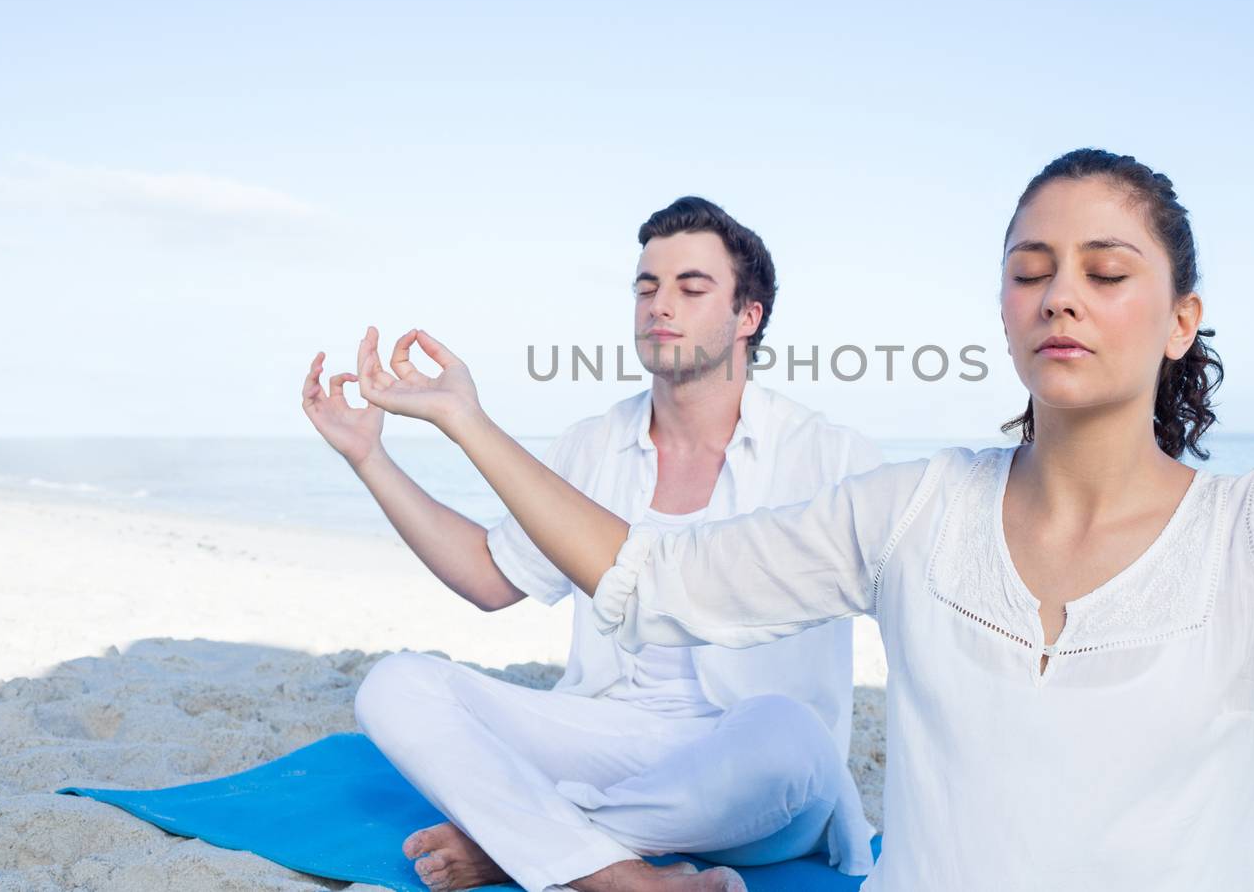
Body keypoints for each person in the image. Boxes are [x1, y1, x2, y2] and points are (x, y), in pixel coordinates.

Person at [355, 149, 1254, 891]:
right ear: (1001, 305)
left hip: (758, 773)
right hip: (654, 759)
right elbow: (647, 577)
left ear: (1182, 317)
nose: (1062, 293)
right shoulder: (915, 508)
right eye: (1031, 268)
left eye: (1106, 267)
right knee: (400, 685)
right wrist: (459, 419)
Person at [303, 197, 883, 892]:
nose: (659, 304)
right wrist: (369, 457)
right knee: (394, 685)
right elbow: (492, 575)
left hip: (757, 776)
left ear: (747, 316)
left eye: (690, 287)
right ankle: (620, 874)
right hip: (608, 738)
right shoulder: (593, 443)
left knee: (789, 733)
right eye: (646, 286)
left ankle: (528, 842)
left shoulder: (829, 454)